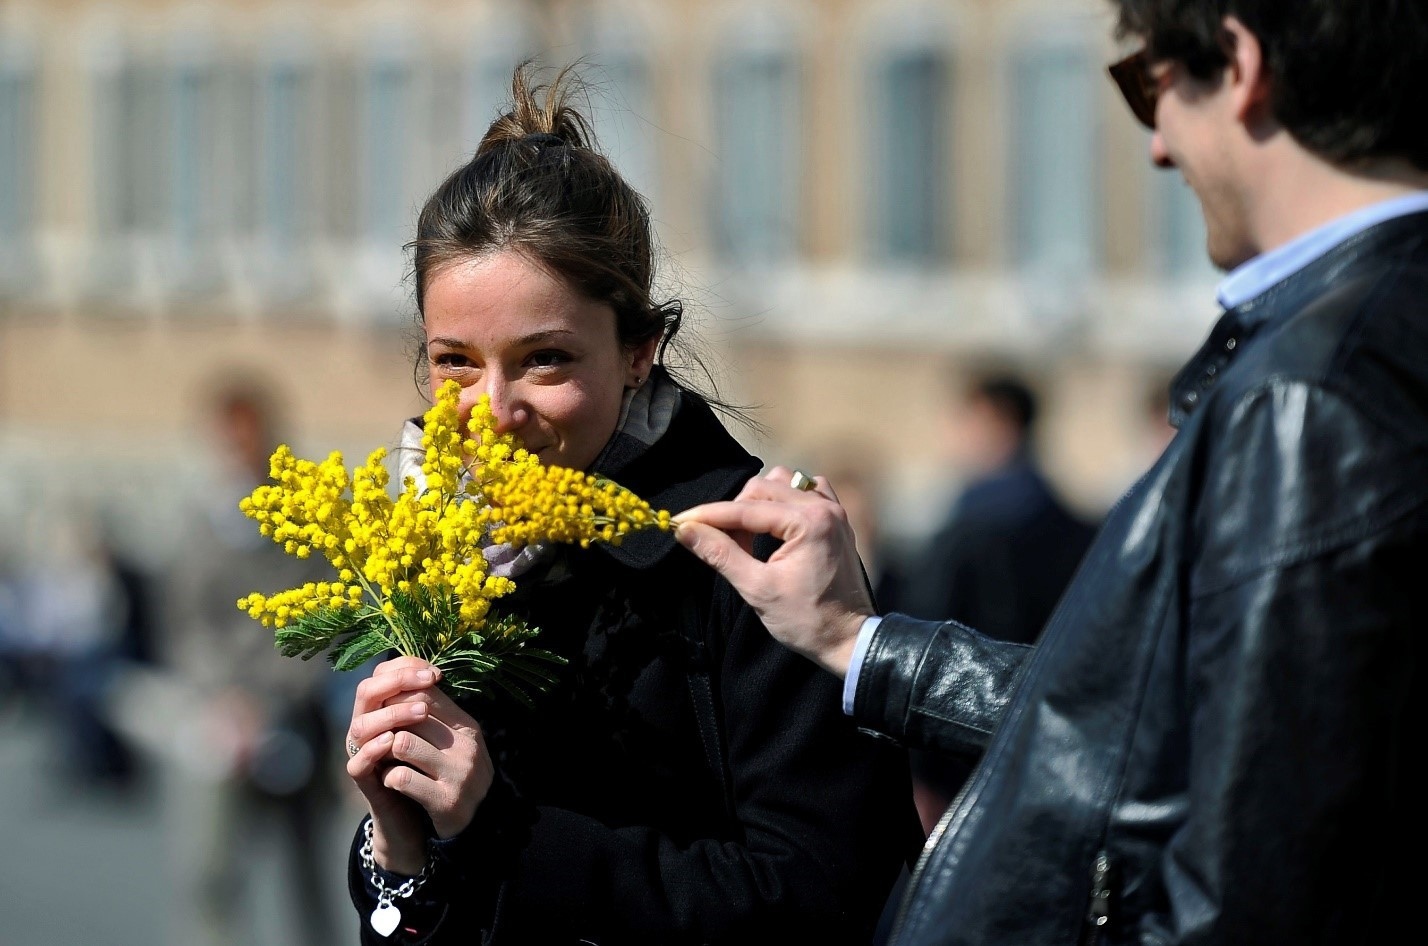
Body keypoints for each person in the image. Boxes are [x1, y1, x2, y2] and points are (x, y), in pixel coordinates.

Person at [674, 1, 1427, 943]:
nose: (1156, 147)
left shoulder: (1311, 394)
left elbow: (1253, 880)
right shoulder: (1352, 348)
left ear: (1239, 65)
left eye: (1148, 86)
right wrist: (855, 638)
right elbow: (1141, 722)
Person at [342, 65, 916, 946]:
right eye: (456, 360)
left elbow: (824, 894)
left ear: (640, 350)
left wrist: (497, 827)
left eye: (545, 360)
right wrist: (397, 845)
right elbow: (427, 913)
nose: (493, 412)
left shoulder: (751, 554)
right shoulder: (428, 554)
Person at [163, 379, 340, 946]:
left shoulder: (306, 515)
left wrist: (270, 696)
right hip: (218, 715)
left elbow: (328, 618)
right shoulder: (200, 519)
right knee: (208, 870)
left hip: (292, 709)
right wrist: (223, 697)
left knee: (309, 871)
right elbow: (186, 624)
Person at [897, 371, 1095, 832]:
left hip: (963, 753)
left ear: (996, 421)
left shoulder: (969, 530)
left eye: (964, 421)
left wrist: (920, 772)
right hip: (1054, 749)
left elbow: (924, 646)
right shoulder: (1079, 529)